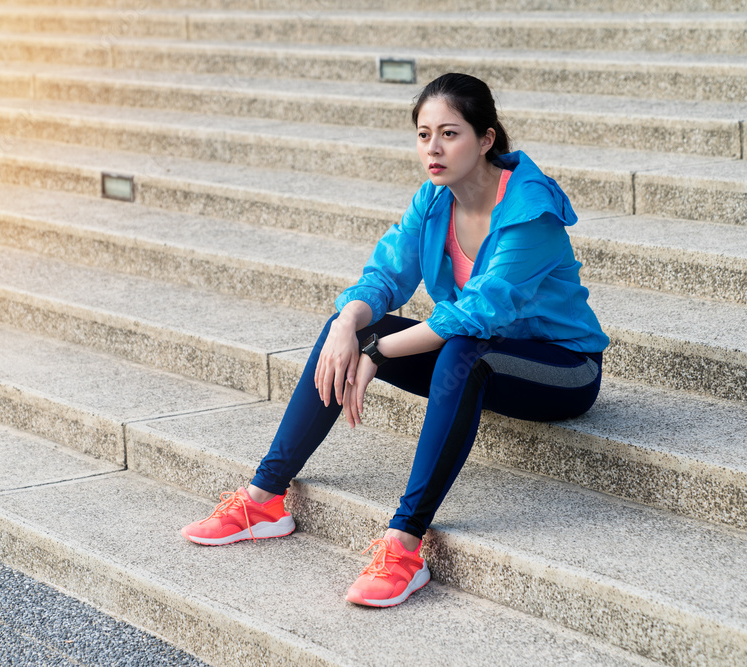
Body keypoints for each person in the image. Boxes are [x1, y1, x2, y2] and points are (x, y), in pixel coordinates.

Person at [180, 73, 610, 608]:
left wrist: (377, 351)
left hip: (563, 368)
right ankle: (263, 499)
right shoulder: (434, 199)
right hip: (479, 349)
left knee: (462, 348)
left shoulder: (530, 211)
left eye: (449, 133)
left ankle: (404, 546)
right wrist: (347, 327)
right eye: (424, 134)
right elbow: (385, 276)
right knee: (354, 327)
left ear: (486, 138)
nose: (433, 147)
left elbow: (478, 312)